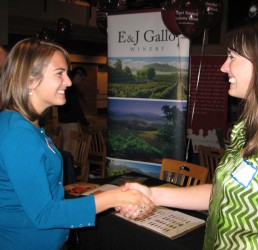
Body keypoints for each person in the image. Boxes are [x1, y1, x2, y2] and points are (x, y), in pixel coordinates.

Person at [120, 15, 258, 249]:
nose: (224, 67)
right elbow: (222, 194)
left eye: (233, 57)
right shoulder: (250, 129)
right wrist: (153, 195)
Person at [0, 38, 154, 250]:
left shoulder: (26, 124)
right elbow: (44, 214)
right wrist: (113, 198)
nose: (69, 82)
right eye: (59, 73)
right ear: (29, 80)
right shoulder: (17, 133)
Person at [57, 66, 90, 152]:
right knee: (71, 147)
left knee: (66, 144)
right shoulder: (71, 88)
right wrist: (84, 122)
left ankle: (69, 164)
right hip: (70, 122)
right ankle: (70, 165)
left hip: (62, 120)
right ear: (78, 76)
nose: (81, 82)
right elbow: (76, 107)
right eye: (82, 79)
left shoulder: (66, 87)